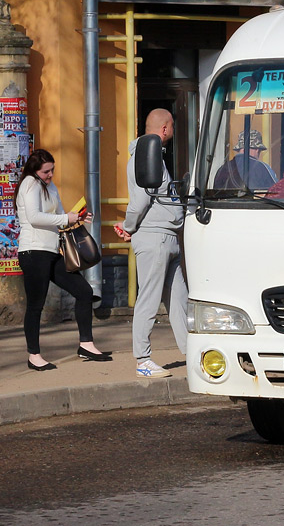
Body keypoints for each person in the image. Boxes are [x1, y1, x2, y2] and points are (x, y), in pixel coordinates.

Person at [15, 148, 111, 371]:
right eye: (46, 171)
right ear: (34, 170)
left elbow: (59, 218)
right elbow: (35, 217)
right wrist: (64, 217)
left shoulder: (50, 187)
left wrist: (77, 217)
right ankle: (34, 355)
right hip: (33, 251)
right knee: (35, 305)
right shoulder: (29, 184)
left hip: (51, 251)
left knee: (84, 291)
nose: (50, 175)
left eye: (52, 170)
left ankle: (86, 344)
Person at [115, 108, 188, 379]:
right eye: (173, 127)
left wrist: (129, 227)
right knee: (149, 298)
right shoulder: (146, 155)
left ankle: (192, 352)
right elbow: (141, 200)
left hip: (167, 236)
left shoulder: (153, 153)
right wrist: (129, 226)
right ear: (165, 129)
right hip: (155, 236)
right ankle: (142, 360)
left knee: (179, 298)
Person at [212, 129, 278, 191]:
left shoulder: (223, 169)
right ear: (257, 149)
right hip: (254, 203)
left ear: (239, 149)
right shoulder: (263, 168)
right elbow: (277, 192)